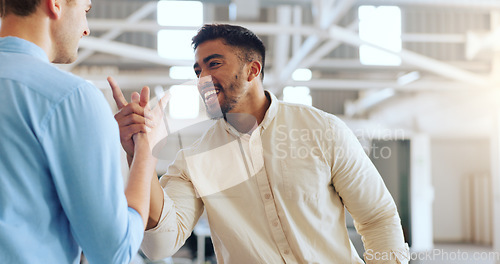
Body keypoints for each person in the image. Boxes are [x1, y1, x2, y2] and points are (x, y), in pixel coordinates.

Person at [113, 24, 410, 263]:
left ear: (252, 71)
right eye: (197, 71)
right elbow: (160, 244)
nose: (202, 78)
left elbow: (377, 217)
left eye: (213, 64)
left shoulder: (323, 130)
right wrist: (142, 153)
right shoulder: (194, 159)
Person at [0, 0, 160, 263]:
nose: (86, 29)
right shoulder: (70, 98)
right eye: (85, 10)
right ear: (56, 5)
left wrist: (97, 134)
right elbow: (113, 253)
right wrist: (146, 150)